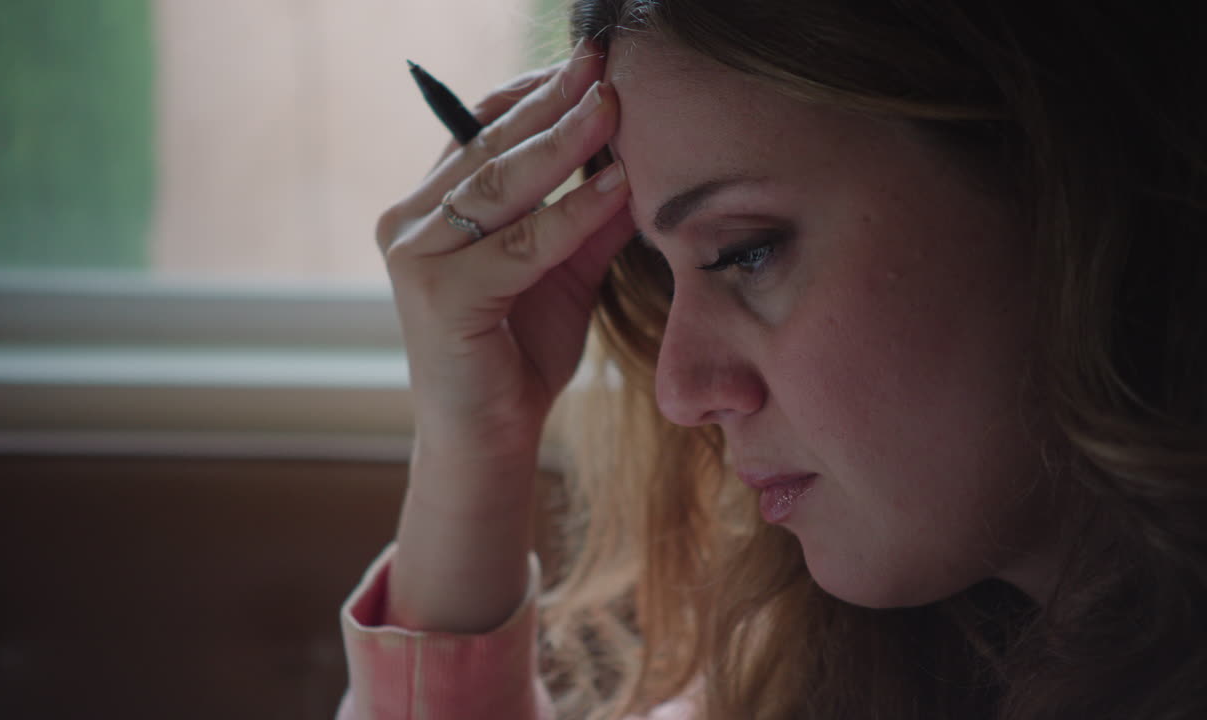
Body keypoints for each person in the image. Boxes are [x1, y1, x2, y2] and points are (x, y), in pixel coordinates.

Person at [342, 1, 1207, 718]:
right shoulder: (818, 670)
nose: (679, 394)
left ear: (1062, 178)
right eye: (659, 271)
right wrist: (475, 446)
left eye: (744, 252)